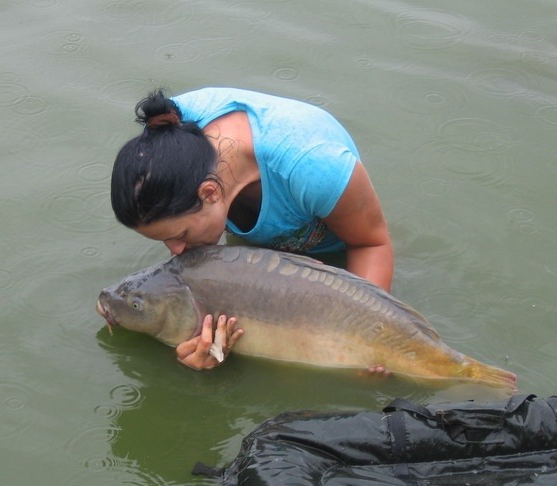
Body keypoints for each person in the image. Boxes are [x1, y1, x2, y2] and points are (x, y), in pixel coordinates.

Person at [110, 87, 394, 370]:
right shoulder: (167, 129)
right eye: (163, 239)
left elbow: (371, 244)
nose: (175, 252)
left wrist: (367, 341)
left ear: (210, 193)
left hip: (328, 236)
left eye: (180, 236)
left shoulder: (314, 167)